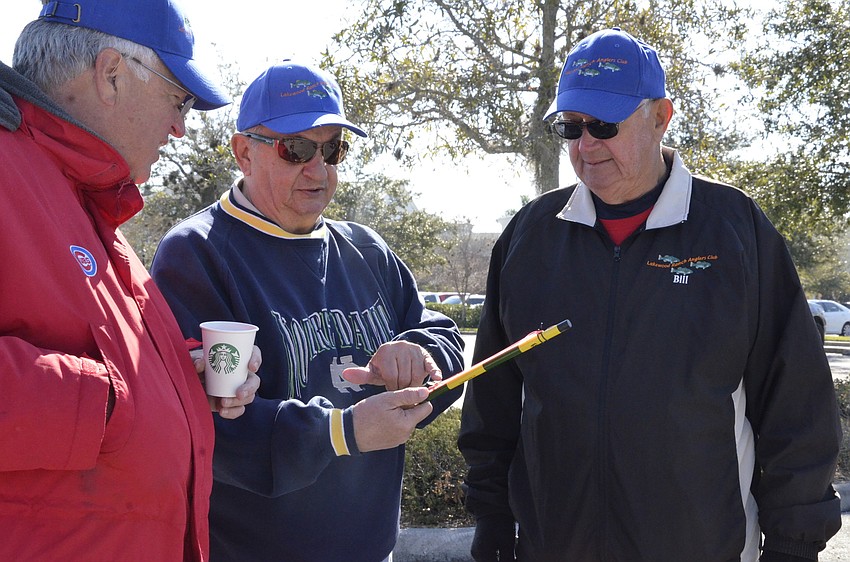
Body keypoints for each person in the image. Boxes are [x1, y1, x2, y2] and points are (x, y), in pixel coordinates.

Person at [457, 27, 842, 562]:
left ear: (660, 116)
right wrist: (492, 519)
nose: (585, 143)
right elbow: (494, 400)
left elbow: (795, 402)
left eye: (604, 124)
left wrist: (794, 543)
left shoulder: (735, 231)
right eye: (571, 126)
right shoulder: (530, 235)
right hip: (554, 546)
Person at [150, 59, 466, 562]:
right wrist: (344, 432)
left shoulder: (368, 248)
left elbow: (443, 337)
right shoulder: (197, 253)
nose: (318, 169)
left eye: (333, 149)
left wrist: (422, 357)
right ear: (243, 153)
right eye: (295, 148)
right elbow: (203, 421)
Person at [0, 1, 261, 560]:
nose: (180, 128)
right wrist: (110, 401)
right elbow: (107, 392)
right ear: (111, 72)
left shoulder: (85, 198)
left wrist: (180, 382)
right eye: (178, 99)